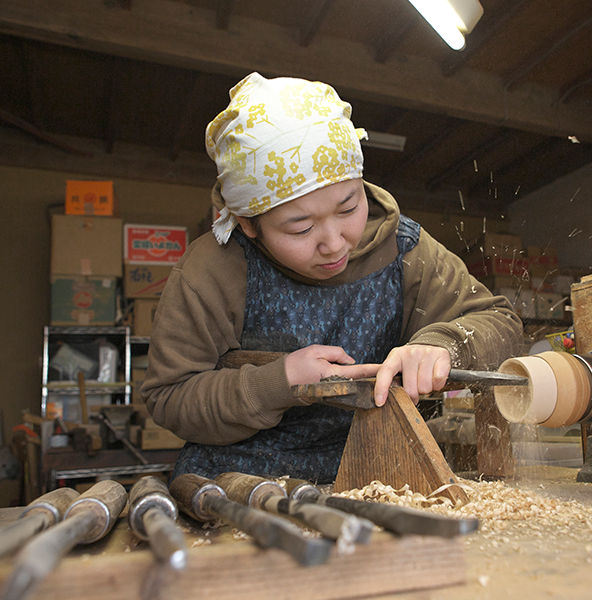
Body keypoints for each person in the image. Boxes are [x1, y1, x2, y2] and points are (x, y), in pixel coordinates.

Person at [141, 72, 527, 483]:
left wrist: (443, 345)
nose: (333, 243)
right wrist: (279, 383)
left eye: (348, 208)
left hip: (377, 477)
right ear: (249, 224)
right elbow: (169, 398)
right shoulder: (210, 272)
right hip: (236, 486)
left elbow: (501, 324)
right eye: (300, 228)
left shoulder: (404, 249)